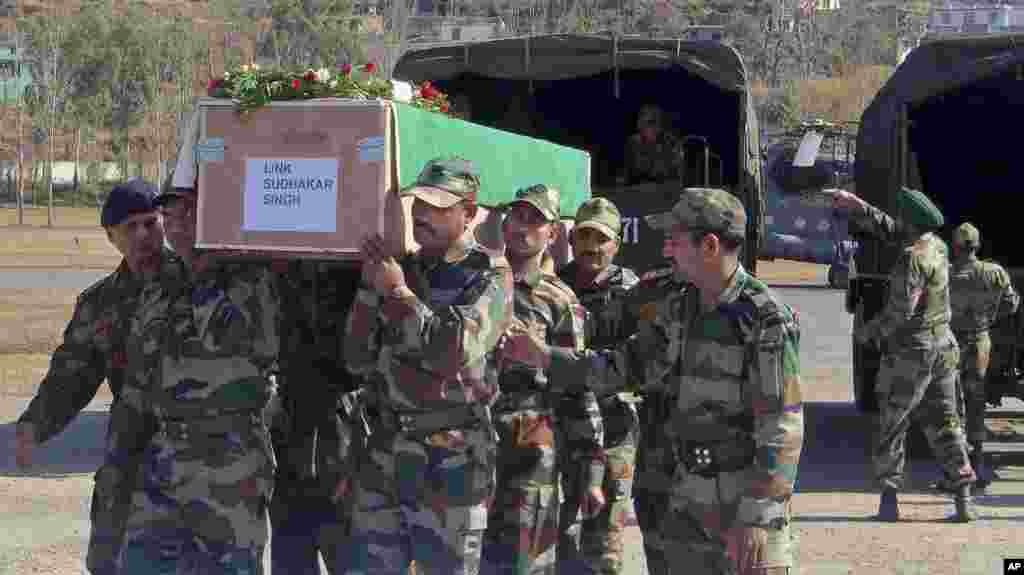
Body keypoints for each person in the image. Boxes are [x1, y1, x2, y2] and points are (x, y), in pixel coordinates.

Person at [504, 187, 804, 575]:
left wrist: (759, 517)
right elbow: (624, 367)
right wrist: (545, 357)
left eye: (676, 240)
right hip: (686, 509)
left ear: (710, 246)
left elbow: (782, 425)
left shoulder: (764, 319)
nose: (668, 249)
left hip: (742, 514)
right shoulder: (680, 309)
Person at [343, 157, 513, 574]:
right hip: (385, 452)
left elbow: (451, 353)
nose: (422, 213)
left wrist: (397, 292)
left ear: (469, 213)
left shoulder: (490, 276)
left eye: (438, 206)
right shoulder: (404, 267)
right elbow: (356, 359)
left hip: (451, 460)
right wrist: (370, 292)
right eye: (419, 202)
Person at [110, 176, 282, 573]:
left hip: (229, 459)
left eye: (190, 212)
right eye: (170, 213)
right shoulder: (163, 279)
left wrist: (204, 275)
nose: (177, 224)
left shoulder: (248, 275)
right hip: (166, 456)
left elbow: (247, 342)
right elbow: (144, 360)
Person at [13, 179, 174, 575]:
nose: (142, 235)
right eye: (129, 227)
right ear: (111, 237)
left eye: (150, 223)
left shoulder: (198, 285)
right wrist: (34, 426)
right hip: (128, 461)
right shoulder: (100, 303)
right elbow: (71, 377)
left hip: (194, 462)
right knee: (109, 563)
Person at [833, 187, 976, 522]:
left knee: (892, 424)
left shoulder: (912, 258)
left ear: (910, 223)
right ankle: (963, 498)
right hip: (943, 347)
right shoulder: (936, 246)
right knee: (946, 422)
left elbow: (901, 312)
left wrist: (869, 333)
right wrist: (858, 205)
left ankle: (889, 501)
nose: (897, 221)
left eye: (901, 217)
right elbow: (891, 229)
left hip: (912, 352)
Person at [481, 185, 601, 575]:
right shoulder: (474, 282)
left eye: (536, 221)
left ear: (552, 234)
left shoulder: (560, 301)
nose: (523, 227)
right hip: (469, 449)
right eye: (518, 217)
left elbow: (578, 389)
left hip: (529, 458)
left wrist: (590, 474)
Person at [556, 197, 645, 575]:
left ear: (617, 244)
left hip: (614, 427)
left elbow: (643, 358)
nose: (592, 246)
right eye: (584, 236)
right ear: (572, 239)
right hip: (562, 424)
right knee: (554, 531)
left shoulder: (634, 292)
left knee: (606, 540)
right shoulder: (555, 286)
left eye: (601, 238)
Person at [270, 261, 363, 574]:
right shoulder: (281, 263)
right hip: (291, 425)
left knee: (350, 550)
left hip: (342, 428)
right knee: (291, 551)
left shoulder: (355, 265)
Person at [949, 222, 1019, 491]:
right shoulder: (995, 273)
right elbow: (1011, 304)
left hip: (951, 343)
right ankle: (977, 466)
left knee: (951, 407)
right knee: (976, 405)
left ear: (955, 247)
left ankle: (955, 470)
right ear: (977, 246)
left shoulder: (947, 273)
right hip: (980, 343)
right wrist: (988, 317)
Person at [623, 105, 682, 185]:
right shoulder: (634, 142)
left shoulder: (671, 142)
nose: (655, 128)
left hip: (666, 189)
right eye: (649, 123)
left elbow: (676, 171)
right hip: (640, 190)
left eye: (654, 122)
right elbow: (634, 172)